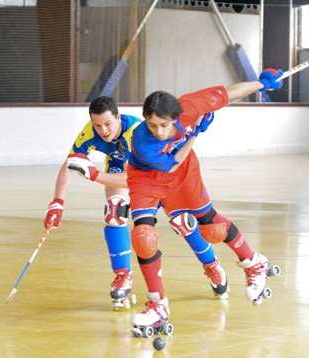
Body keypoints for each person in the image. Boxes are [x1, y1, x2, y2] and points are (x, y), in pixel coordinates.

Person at [125, 68, 284, 334]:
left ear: (176, 116)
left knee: (212, 228)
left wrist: (261, 83)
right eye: (152, 125)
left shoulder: (191, 105)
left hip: (185, 173)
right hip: (147, 179)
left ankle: (253, 261)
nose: (159, 131)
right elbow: (171, 163)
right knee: (143, 236)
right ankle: (157, 304)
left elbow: (229, 93)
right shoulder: (143, 141)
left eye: (164, 125)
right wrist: (196, 133)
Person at [44, 96, 141, 310]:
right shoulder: (90, 131)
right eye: (98, 125)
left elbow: (138, 180)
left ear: (118, 116)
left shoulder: (137, 131)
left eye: (108, 124)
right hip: (119, 165)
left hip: (151, 172)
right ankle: (123, 275)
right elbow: (70, 164)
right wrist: (57, 201)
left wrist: (95, 174)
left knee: (183, 221)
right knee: (115, 211)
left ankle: (212, 264)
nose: (103, 131)